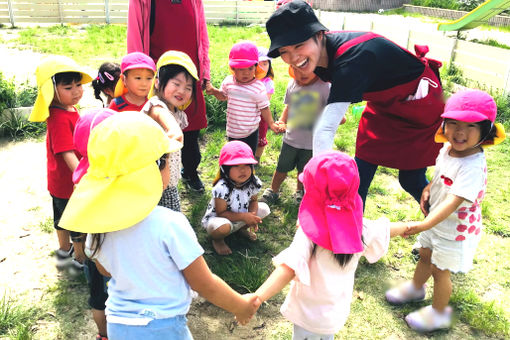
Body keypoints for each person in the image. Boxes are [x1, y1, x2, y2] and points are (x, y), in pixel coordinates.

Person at [59, 112, 260, 339]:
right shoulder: (170, 223)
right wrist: (240, 305)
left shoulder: (98, 225)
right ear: (155, 167)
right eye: (167, 161)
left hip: (117, 324)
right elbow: (204, 284)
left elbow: (105, 269)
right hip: (163, 326)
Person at [265, 0, 445, 208]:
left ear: (320, 35)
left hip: (417, 105)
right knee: (360, 174)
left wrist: (319, 183)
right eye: (284, 51)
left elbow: (326, 129)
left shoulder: (350, 61)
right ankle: (350, 230)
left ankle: (442, 224)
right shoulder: (320, 55)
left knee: (411, 179)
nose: (294, 57)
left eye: (299, 45)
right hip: (383, 105)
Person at [385, 90, 506, 332]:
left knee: (441, 271)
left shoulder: (472, 166)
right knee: (425, 254)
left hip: (455, 230)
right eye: (453, 124)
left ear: (486, 130)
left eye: (471, 126)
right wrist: (428, 188)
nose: (460, 132)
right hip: (436, 222)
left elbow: (454, 201)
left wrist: (422, 224)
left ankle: (439, 314)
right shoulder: (447, 149)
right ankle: (416, 288)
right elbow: (441, 175)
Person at [254, 151, 409, 339]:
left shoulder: (308, 233)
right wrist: (412, 226)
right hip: (334, 314)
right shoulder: (360, 227)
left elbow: (288, 268)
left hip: (307, 315)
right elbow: (386, 229)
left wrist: (257, 297)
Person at [127, 0, 211, 193]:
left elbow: (202, 36)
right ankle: (156, 182)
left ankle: (190, 172)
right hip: (161, 79)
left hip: (189, 78)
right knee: (157, 131)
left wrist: (205, 72)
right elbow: (135, 39)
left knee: (191, 131)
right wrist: (139, 78)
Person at [28, 55, 92, 270]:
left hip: (62, 180)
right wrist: (83, 177)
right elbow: (66, 152)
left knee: (62, 217)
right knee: (74, 220)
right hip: (67, 182)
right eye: (68, 87)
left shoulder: (69, 109)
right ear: (51, 91)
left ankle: (64, 251)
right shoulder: (57, 117)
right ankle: (79, 258)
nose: (76, 91)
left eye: (78, 85)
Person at [72, 108, 116, 340]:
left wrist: (78, 244)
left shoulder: (82, 179)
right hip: (116, 250)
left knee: (98, 299)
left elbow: (75, 216)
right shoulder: (119, 174)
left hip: (93, 247)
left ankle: (103, 335)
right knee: (117, 296)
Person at [262, 65, 330, 205]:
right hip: (291, 139)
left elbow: (335, 115)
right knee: (282, 167)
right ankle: (273, 191)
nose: (301, 74)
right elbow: (289, 106)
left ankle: (299, 191)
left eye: (306, 70)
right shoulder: (293, 83)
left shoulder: (325, 87)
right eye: (296, 70)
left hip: (312, 143)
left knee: (304, 170)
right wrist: (281, 121)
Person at [142, 50, 198, 212]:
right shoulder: (156, 106)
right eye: (176, 84)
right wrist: (165, 162)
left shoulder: (177, 112)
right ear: (158, 83)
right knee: (164, 219)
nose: (182, 91)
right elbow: (171, 129)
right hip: (154, 177)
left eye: (188, 87)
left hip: (168, 180)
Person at [206, 41, 285, 154]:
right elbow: (223, 96)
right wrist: (214, 91)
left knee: (248, 157)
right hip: (232, 131)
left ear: (256, 67)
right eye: (241, 69)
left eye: (250, 68)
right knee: (234, 157)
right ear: (233, 68)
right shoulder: (229, 82)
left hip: (251, 132)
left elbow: (264, 108)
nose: (246, 73)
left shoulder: (258, 87)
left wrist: (271, 123)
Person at [201, 141, 271, 255]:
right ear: (225, 169)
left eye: (246, 165)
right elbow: (221, 213)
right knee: (222, 227)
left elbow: (254, 200)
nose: (243, 170)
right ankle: (218, 240)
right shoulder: (222, 188)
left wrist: (251, 216)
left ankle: (240, 230)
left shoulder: (253, 182)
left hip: (240, 217)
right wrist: (245, 216)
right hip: (220, 220)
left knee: (264, 209)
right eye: (236, 166)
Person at [254, 47, 275, 163]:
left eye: (265, 64)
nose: (261, 68)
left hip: (262, 114)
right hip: (247, 113)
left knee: (261, 136)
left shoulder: (268, 82)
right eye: (258, 64)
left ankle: (257, 158)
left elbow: (265, 100)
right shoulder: (247, 79)